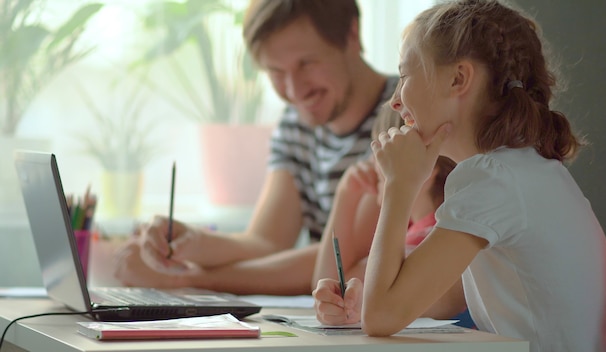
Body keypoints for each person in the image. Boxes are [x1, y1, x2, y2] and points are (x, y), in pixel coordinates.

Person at [312, 1, 606, 351]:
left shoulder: (491, 179)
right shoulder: (523, 170)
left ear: (458, 78)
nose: (395, 103)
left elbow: (382, 318)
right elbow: (440, 298)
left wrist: (401, 184)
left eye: (404, 77)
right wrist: (359, 307)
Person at [113, 0, 399, 295]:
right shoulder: (296, 122)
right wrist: (190, 242)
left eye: (307, 63)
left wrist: (186, 278)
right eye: (275, 72)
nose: (294, 90)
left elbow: (344, 258)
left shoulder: (405, 110)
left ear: (352, 35)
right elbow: (266, 243)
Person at [311, 104, 468, 326]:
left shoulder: (427, 238)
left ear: (424, 165)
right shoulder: (428, 230)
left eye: (380, 153)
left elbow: (334, 283)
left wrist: (345, 198)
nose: (372, 162)